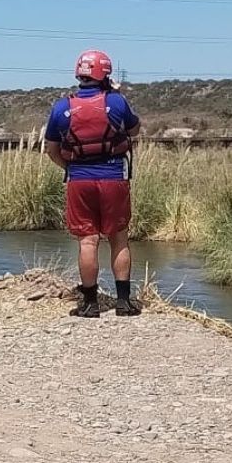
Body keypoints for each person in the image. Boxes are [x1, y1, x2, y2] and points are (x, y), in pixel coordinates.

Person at [44, 50, 143, 319]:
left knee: (87, 241)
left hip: (79, 179)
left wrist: (71, 168)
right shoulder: (117, 101)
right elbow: (134, 130)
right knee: (118, 237)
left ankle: (89, 304)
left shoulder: (61, 107)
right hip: (114, 178)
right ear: (105, 74)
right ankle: (123, 303)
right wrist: (117, 94)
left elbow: (52, 150)